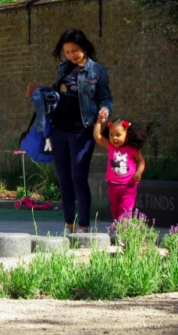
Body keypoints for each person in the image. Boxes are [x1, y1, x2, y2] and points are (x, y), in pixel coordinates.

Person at [29, 28, 113, 234]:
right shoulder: (63, 68)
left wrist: (105, 110)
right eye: (67, 52)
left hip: (82, 131)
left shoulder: (97, 70)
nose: (71, 55)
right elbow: (57, 93)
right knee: (64, 178)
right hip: (58, 130)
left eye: (74, 50)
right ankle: (69, 224)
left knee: (78, 177)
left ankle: (83, 225)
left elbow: (106, 98)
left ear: (84, 47)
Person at [94, 119, 146, 221]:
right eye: (111, 135)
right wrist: (99, 122)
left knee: (125, 209)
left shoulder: (132, 148)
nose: (114, 138)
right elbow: (98, 137)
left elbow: (141, 161)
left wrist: (139, 172)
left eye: (118, 135)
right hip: (113, 186)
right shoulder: (110, 146)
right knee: (115, 209)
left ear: (127, 134)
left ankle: (123, 232)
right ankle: (118, 229)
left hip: (129, 186)